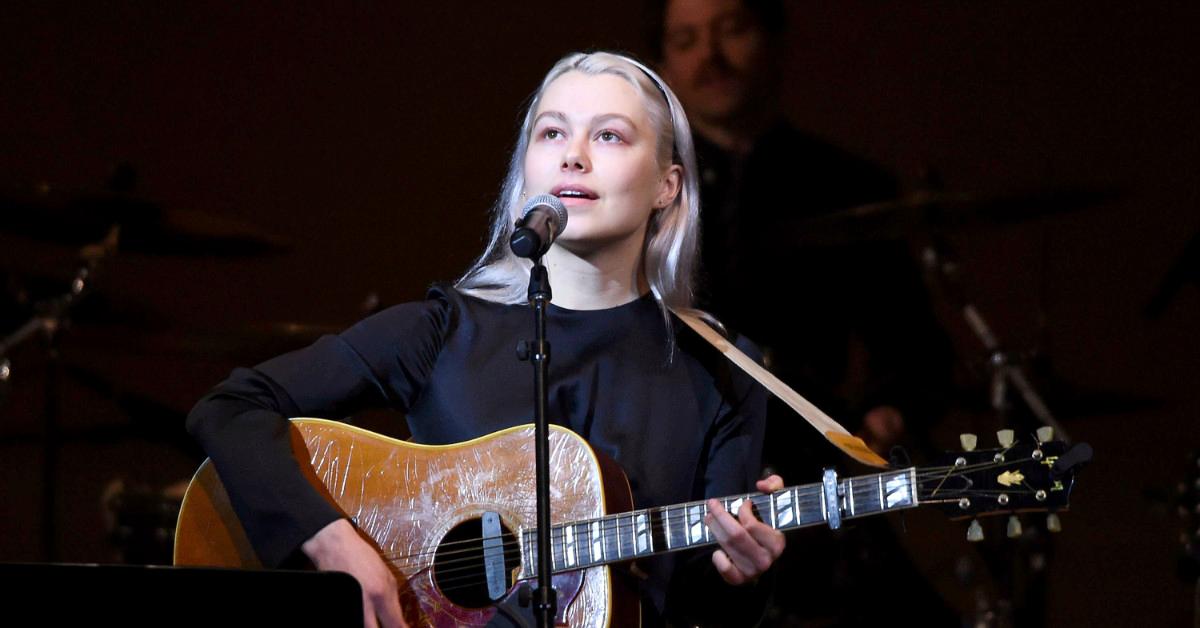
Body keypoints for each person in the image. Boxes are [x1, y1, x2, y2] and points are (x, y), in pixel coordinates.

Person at [186, 51, 784, 628]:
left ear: (667, 185)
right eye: (552, 134)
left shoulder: (724, 370)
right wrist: (329, 541)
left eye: (609, 136)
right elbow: (230, 408)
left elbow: (703, 608)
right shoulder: (442, 330)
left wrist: (743, 575)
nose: (572, 157)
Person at [650, 1, 960, 625]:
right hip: (673, 506)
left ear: (773, 41)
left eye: (732, 30)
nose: (708, 57)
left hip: (815, 494)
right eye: (686, 40)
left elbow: (918, 354)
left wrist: (889, 410)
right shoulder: (641, 198)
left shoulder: (847, 186)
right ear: (662, 65)